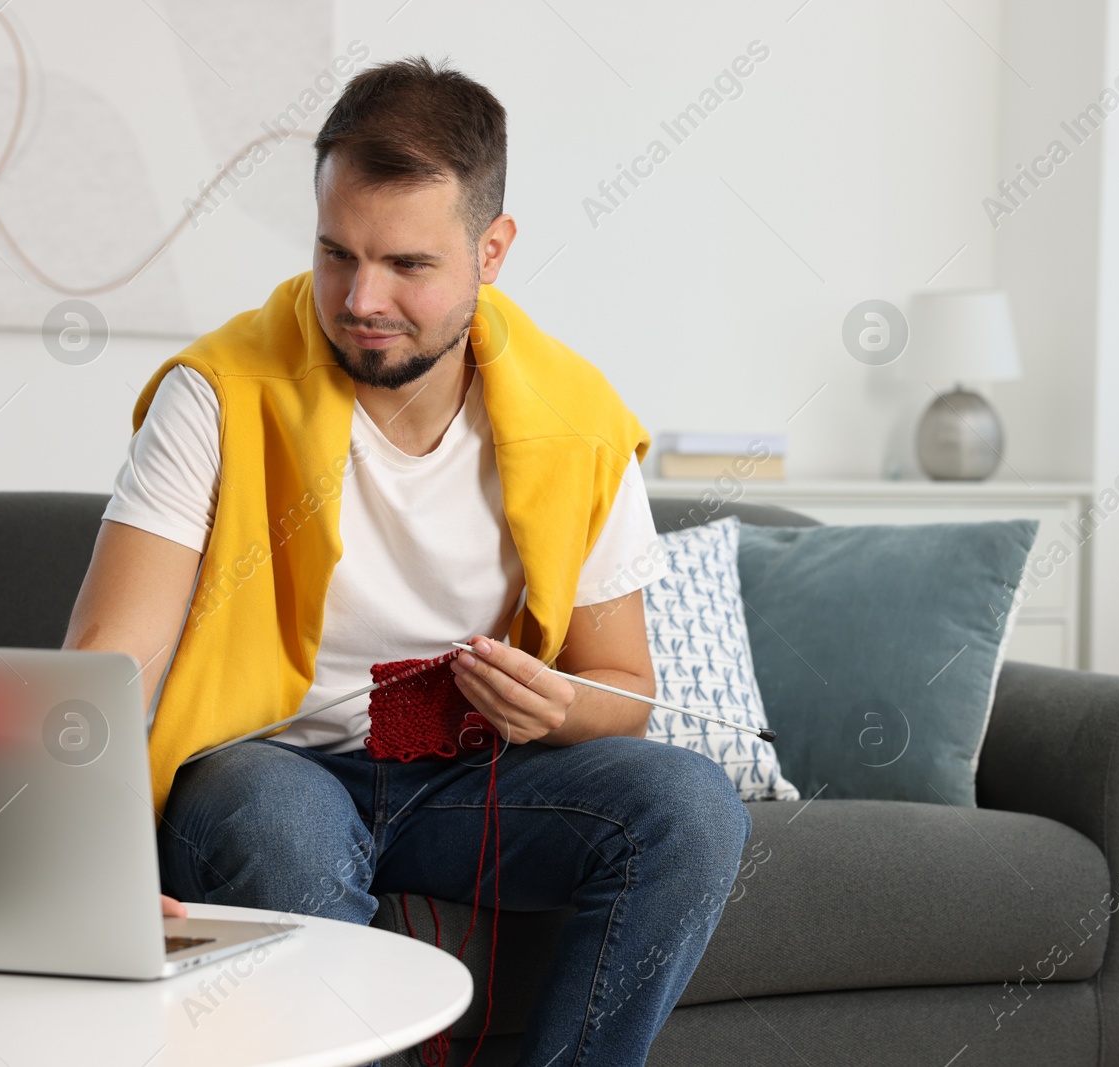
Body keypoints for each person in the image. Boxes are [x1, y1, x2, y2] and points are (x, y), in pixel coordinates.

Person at [63, 56, 750, 1067]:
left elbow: (624, 687)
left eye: (408, 265)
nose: (360, 298)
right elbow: (112, 657)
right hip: (266, 764)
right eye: (335, 253)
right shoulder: (217, 393)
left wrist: (555, 707)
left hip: (467, 779)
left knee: (690, 806)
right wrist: (91, 860)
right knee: (279, 822)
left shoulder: (576, 419)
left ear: (493, 250)